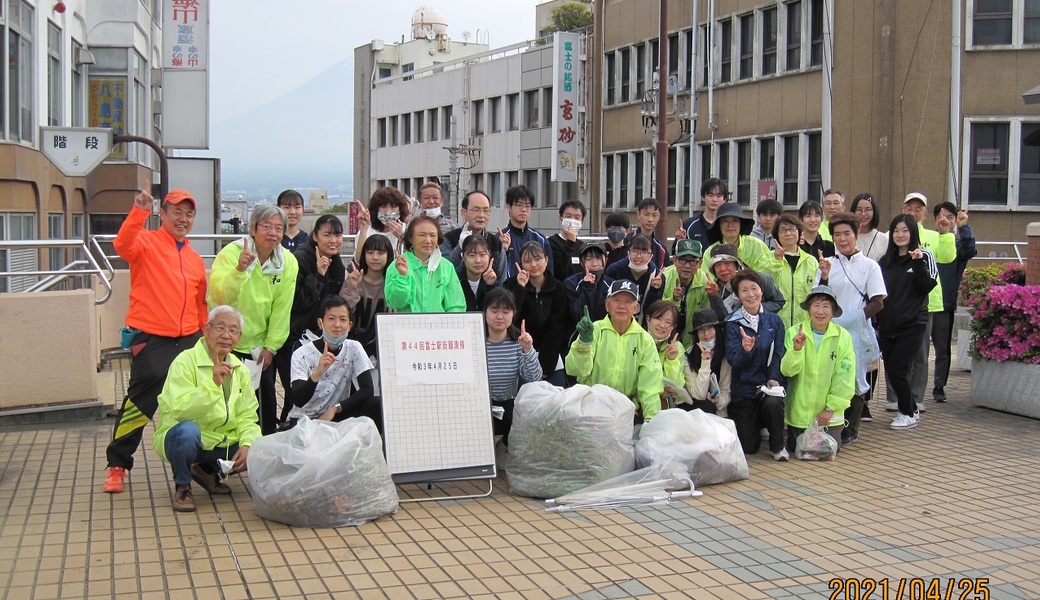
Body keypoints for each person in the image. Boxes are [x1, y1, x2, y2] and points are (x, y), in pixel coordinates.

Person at [103, 188, 208, 494]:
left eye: (189, 214)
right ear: (163, 214)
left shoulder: (194, 258)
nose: (183, 219)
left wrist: (203, 339)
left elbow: (200, 303)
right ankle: (117, 466)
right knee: (139, 403)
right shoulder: (146, 242)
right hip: (151, 337)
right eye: (177, 212)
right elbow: (122, 245)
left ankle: (197, 460)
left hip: (189, 337)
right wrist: (138, 213)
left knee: (195, 403)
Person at [152, 305, 262, 512]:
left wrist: (247, 444)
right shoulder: (184, 362)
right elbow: (179, 410)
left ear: (239, 337)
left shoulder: (240, 369)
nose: (226, 335)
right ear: (206, 329)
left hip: (219, 440)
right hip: (179, 437)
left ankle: (207, 471)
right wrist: (212, 385)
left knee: (257, 449)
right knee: (188, 432)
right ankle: (183, 486)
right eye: (220, 328)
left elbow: (248, 415)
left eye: (233, 330)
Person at [208, 203, 300, 436]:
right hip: (227, 341)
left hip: (259, 347)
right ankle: (220, 453)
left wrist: (271, 346)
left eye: (279, 228)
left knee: (264, 398)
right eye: (266, 226)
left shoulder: (287, 262)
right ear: (252, 228)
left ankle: (262, 452)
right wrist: (240, 270)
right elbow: (220, 298)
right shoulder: (230, 254)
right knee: (224, 398)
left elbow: (282, 308)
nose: (273, 233)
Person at [817, 213, 887, 445]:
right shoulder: (827, 263)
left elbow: (878, 302)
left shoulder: (870, 266)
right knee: (828, 376)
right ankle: (829, 421)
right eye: (837, 234)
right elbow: (819, 297)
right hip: (828, 330)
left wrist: (852, 318)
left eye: (847, 233)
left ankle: (851, 426)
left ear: (857, 235)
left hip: (856, 332)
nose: (842, 238)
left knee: (854, 377)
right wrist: (825, 276)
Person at [889, 192, 955, 414]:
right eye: (909, 208)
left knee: (920, 354)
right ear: (902, 208)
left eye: (919, 209)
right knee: (892, 352)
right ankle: (894, 398)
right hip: (895, 306)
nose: (913, 212)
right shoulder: (892, 234)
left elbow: (947, 257)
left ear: (926, 214)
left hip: (926, 306)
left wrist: (946, 234)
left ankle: (915, 398)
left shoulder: (934, 237)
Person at [276, 215, 346, 424]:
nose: (333, 240)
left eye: (338, 235)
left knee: (313, 391)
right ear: (315, 236)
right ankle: (286, 430)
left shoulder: (336, 261)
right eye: (327, 235)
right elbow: (298, 302)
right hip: (294, 338)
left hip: (317, 338)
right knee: (296, 393)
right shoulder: (301, 259)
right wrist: (318, 274)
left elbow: (332, 303)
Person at [566, 280, 664, 422]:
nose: (622, 306)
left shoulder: (645, 340)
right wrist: (584, 343)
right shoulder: (595, 329)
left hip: (625, 411)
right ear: (607, 305)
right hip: (590, 407)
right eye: (616, 300)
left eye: (628, 302)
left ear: (636, 307)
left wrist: (651, 420)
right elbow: (576, 370)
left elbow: (650, 386)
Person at [877, 214, 937, 430]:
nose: (900, 235)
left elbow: (925, 287)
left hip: (913, 324)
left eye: (905, 230)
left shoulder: (924, 257)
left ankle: (908, 412)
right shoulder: (884, 262)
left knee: (897, 369)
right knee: (893, 371)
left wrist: (918, 261)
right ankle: (910, 408)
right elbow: (877, 293)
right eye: (896, 230)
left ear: (913, 233)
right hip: (887, 325)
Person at [780, 286, 855, 456]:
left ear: (833, 311)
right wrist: (797, 350)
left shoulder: (843, 337)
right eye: (815, 305)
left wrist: (830, 409)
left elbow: (845, 376)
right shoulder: (794, 332)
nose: (820, 311)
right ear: (808, 309)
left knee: (825, 451)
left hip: (830, 416)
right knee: (800, 450)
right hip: (800, 412)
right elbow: (787, 371)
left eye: (826, 306)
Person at [288, 296, 380, 429]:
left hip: (335, 414)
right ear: (321, 323)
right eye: (331, 319)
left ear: (349, 326)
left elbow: (367, 389)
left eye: (343, 319)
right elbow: (298, 400)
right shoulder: (302, 354)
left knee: (376, 404)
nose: (337, 325)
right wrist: (317, 373)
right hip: (305, 418)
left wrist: (336, 408)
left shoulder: (354, 347)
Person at [724, 269, 787, 460]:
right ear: (737, 295)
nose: (750, 294)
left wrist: (774, 379)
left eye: (754, 288)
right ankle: (757, 424)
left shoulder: (774, 321)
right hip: (743, 389)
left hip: (767, 386)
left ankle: (778, 448)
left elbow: (778, 355)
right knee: (749, 447)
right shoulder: (732, 323)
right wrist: (745, 350)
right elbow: (734, 360)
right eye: (744, 290)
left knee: (773, 403)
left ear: (762, 291)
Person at [483, 288, 542, 445]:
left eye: (506, 311)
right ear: (485, 312)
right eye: (494, 310)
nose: (499, 316)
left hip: (508, 406)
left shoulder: (518, 342)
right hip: (480, 407)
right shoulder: (475, 340)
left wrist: (528, 349)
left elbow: (533, 377)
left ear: (513, 314)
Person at [504, 241, 570, 380]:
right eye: (527, 261)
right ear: (521, 263)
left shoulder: (558, 288)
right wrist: (520, 288)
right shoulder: (510, 285)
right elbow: (510, 318)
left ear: (546, 260)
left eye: (538, 259)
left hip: (551, 359)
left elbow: (556, 328)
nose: (533, 265)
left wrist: (545, 367)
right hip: (519, 354)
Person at [931, 203, 976, 403]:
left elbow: (970, 250)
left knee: (942, 348)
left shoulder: (958, 244)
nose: (945, 220)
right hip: (920, 304)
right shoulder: (927, 242)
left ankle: (939, 386)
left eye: (950, 217)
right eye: (941, 216)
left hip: (944, 304)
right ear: (934, 220)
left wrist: (964, 227)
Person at [386, 215, 466, 313]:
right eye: (422, 235)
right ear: (411, 239)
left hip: (438, 326)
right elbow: (396, 303)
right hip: (407, 326)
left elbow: (456, 306)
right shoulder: (398, 265)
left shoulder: (447, 267)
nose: (428, 240)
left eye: (432, 235)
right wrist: (402, 277)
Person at [340, 233, 393, 360]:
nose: (375, 257)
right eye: (370, 252)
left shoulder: (392, 283)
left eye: (381, 253)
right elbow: (343, 313)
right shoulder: (354, 279)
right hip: (352, 343)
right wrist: (352, 287)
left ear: (389, 255)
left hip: (383, 344)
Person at [764, 214, 818, 329]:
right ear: (777, 236)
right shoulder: (767, 258)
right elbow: (764, 286)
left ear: (799, 232)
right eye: (783, 230)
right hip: (775, 325)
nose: (788, 233)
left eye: (792, 229)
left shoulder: (811, 261)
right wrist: (777, 261)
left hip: (804, 325)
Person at [441, 190, 508, 281]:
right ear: (463, 212)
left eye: (486, 210)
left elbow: (502, 280)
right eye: (476, 210)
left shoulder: (496, 243)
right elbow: (443, 272)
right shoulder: (449, 239)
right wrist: (460, 247)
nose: (481, 215)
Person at [705, 244, 785, 320]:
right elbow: (722, 319)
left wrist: (754, 308)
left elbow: (779, 301)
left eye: (727, 263)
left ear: (736, 265)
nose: (723, 269)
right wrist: (714, 296)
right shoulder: (714, 289)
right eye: (718, 265)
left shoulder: (757, 278)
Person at [661, 239, 709, 347]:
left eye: (693, 261)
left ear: (700, 263)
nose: (687, 266)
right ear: (674, 260)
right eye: (682, 260)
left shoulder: (705, 282)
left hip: (693, 342)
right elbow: (656, 313)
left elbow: (706, 318)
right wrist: (674, 300)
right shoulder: (664, 277)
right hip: (663, 338)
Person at [683, 309, 732, 416]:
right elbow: (698, 394)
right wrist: (705, 362)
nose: (706, 334)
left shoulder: (726, 354)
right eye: (701, 330)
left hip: (719, 412)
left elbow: (726, 391)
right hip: (695, 411)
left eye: (710, 328)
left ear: (716, 329)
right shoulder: (688, 356)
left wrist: (719, 401)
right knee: (706, 406)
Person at [604, 234, 664, 320]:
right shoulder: (614, 270)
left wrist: (654, 290)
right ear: (628, 252)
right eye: (635, 251)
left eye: (644, 252)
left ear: (651, 256)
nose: (638, 256)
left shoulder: (657, 276)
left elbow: (653, 311)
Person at [702, 202, 772, 273]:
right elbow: (706, 278)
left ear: (741, 224)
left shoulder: (757, 246)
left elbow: (767, 273)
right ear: (718, 225)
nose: (730, 225)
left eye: (735, 220)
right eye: (725, 221)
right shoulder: (710, 252)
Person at [502, 185, 553, 278]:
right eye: (519, 205)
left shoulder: (540, 239)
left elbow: (549, 272)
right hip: (509, 290)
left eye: (528, 206)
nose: (524, 209)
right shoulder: (501, 238)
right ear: (509, 206)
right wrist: (503, 250)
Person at [354, 186, 411, 263]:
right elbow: (359, 260)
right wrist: (363, 227)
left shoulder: (407, 230)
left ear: (400, 209)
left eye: (393, 207)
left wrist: (403, 238)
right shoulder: (367, 231)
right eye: (383, 206)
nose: (388, 211)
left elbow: (413, 259)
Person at [645, 301, 685, 409]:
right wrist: (658, 391)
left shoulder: (677, 347)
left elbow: (676, 385)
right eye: (658, 319)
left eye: (668, 322)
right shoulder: (638, 340)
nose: (662, 325)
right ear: (648, 319)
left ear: (673, 327)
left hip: (662, 405)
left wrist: (671, 360)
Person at [564, 241, 615, 324]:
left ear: (606, 259)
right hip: (579, 334)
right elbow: (579, 316)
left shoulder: (612, 284)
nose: (594, 264)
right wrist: (588, 287)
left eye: (598, 258)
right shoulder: (571, 283)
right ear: (581, 262)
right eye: (588, 259)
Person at [676, 178, 729, 251]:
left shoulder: (728, 226)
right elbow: (677, 254)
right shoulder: (689, 225)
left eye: (719, 196)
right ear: (703, 197)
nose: (714, 199)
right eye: (710, 195)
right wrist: (681, 242)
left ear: (724, 199)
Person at [456, 234, 501, 311]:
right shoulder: (454, 279)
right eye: (472, 255)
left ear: (489, 255)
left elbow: (495, 310)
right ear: (463, 256)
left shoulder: (493, 278)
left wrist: (490, 286)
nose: (478, 260)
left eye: (482, 255)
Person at [548, 199, 586, 282]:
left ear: (582, 222)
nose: (572, 221)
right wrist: (570, 242)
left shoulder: (582, 246)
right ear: (561, 219)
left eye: (577, 218)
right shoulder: (551, 242)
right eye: (568, 216)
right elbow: (558, 270)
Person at [625, 198, 671, 268]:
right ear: (638, 215)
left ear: (659, 217)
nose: (650, 219)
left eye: (655, 215)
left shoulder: (662, 249)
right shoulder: (627, 241)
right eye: (646, 214)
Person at [849, 193, 888, 262]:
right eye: (859, 209)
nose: (863, 214)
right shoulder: (846, 237)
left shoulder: (884, 240)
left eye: (868, 209)